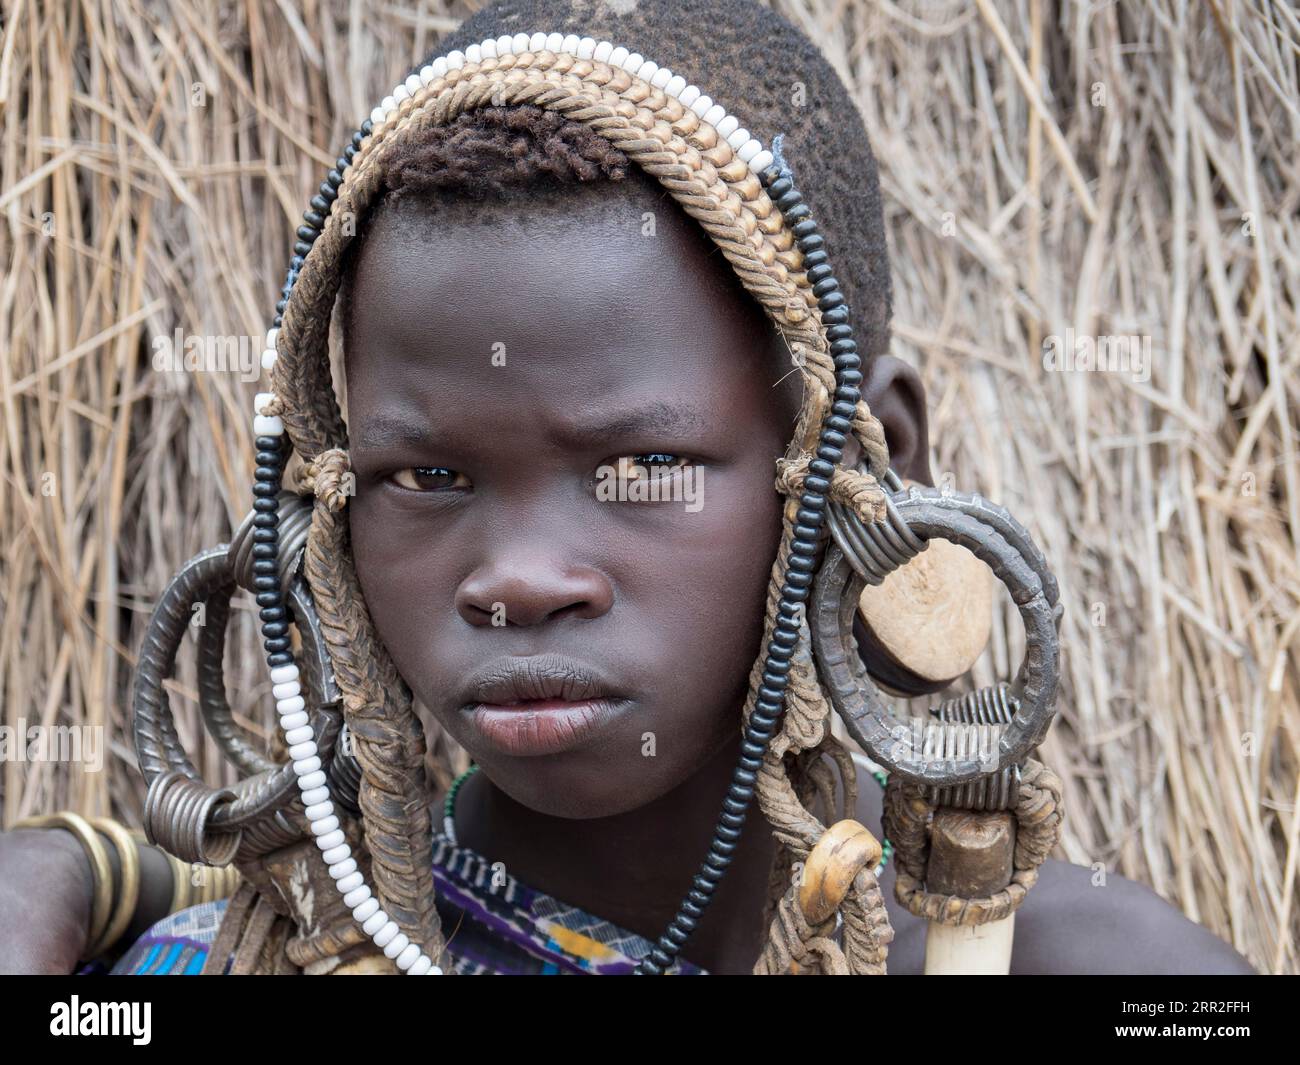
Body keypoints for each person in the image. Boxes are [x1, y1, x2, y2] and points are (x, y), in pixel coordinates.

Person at [0, 0, 1254, 976]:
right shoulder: (203, 969)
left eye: (643, 466)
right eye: (427, 474)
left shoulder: (1099, 972)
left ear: (874, 465)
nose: (518, 580)